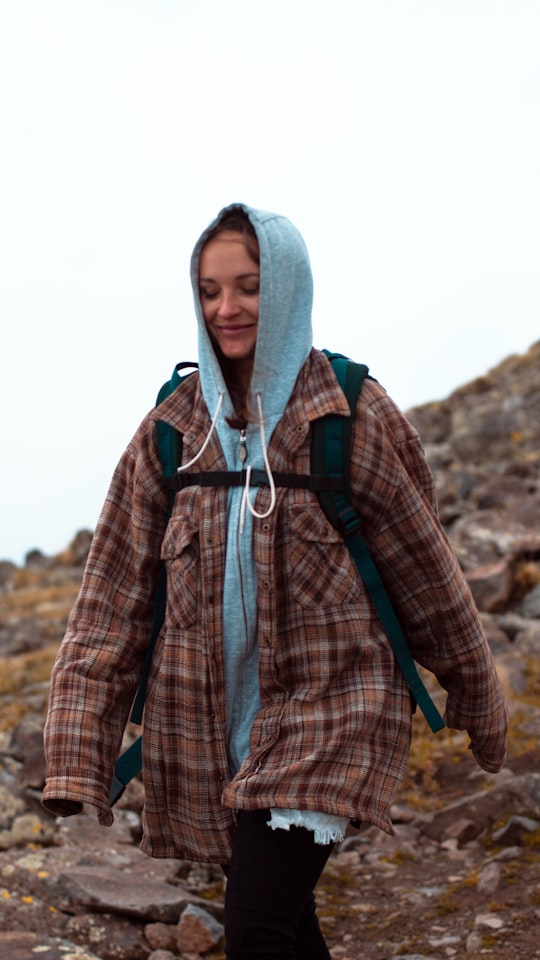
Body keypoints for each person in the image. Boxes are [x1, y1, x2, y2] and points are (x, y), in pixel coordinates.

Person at [42, 203, 508, 960]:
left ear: (287, 287)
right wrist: (75, 749)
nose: (227, 308)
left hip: (333, 711)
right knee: (286, 929)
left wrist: (476, 693)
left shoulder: (348, 415)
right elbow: (110, 603)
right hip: (212, 729)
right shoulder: (173, 432)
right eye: (210, 290)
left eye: (249, 286)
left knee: (256, 929)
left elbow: (426, 573)